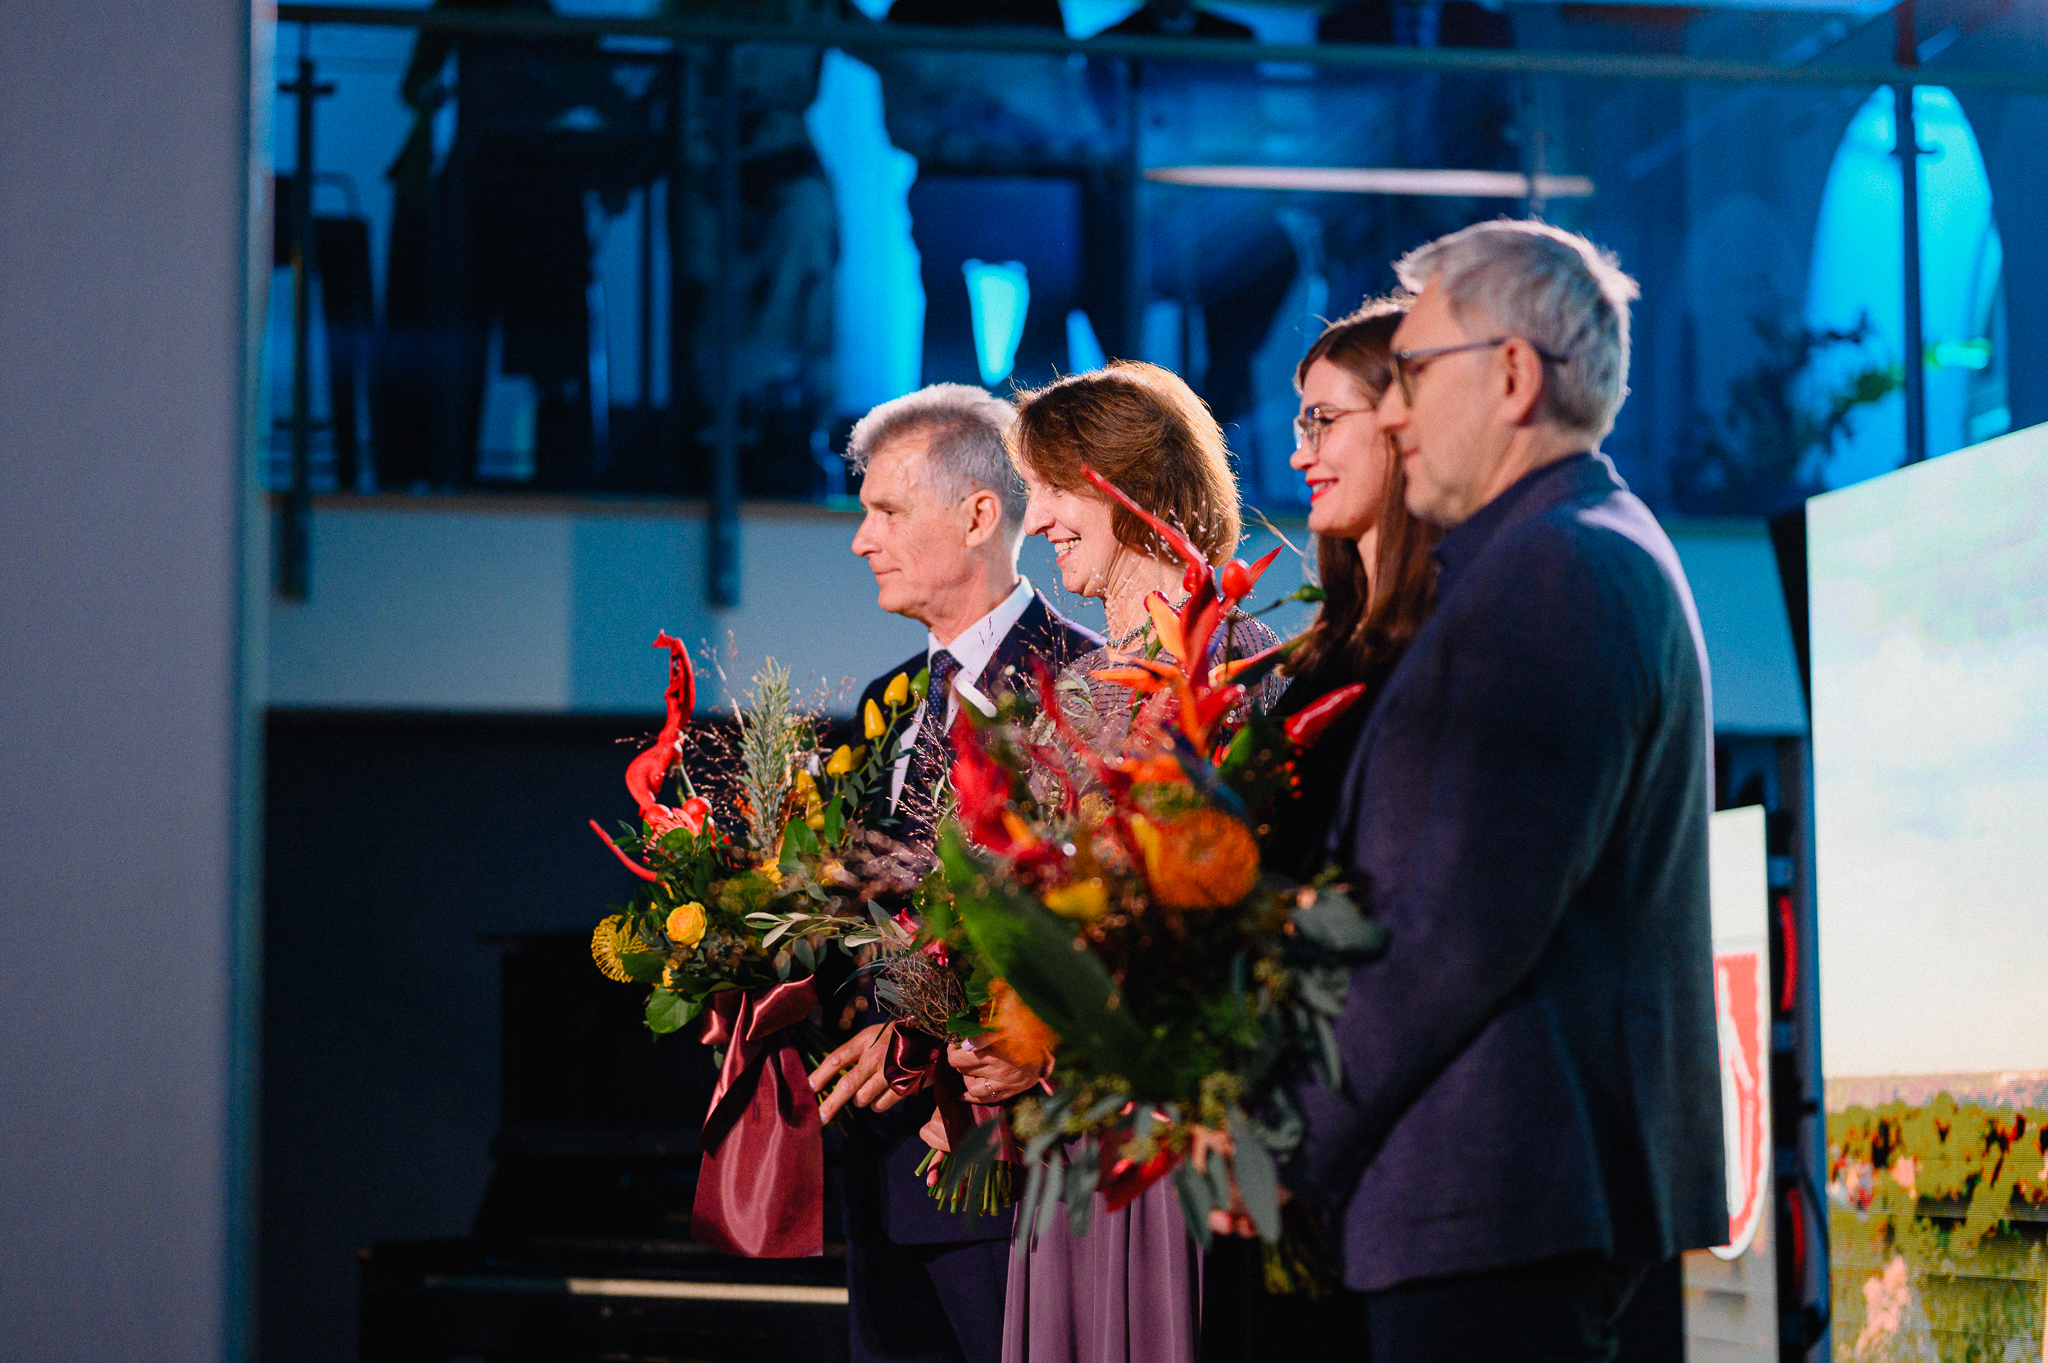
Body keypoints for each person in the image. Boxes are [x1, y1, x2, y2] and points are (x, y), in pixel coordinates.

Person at [1288, 221, 1726, 1362]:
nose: (1393, 414)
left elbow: (1449, 931)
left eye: (1415, 374)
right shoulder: (1562, 553)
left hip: (1495, 1195)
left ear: (1514, 375)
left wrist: (1280, 1138)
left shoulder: (1552, 570)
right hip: (1500, 1197)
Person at [995, 361, 1280, 1363]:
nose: (1035, 521)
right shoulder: (1072, 688)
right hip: (1071, 1129)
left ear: (1128, 487)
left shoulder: (1241, 666)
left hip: (1174, 1134)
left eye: (1052, 491)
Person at [810, 383, 1102, 1363]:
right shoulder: (886, 700)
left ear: (979, 515)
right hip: (877, 1172)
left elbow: (1096, 932)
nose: (863, 540)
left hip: (1007, 1168)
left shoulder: (1088, 690)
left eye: (887, 511)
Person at [1197, 297, 1441, 1363]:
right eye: (1297, 424)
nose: (1297, 453)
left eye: (1321, 421)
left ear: (1407, 424)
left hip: (1382, 1146)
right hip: (1275, 1139)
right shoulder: (1306, 661)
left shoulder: (1449, 643)